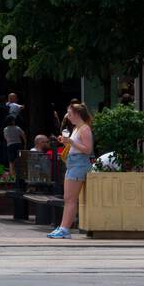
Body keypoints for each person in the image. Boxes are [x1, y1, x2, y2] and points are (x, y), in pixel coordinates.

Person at [49, 101, 94, 240]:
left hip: (79, 163)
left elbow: (88, 149)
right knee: (68, 198)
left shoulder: (85, 129)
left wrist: (71, 142)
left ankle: (64, 229)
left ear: (77, 114)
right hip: (73, 163)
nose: (68, 116)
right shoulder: (76, 128)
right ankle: (63, 227)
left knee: (70, 199)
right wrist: (66, 141)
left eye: (70, 114)